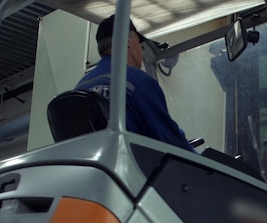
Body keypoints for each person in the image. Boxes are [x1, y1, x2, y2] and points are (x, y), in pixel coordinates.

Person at [75, 15, 195, 152]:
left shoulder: (80, 87)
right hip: (130, 168)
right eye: (139, 44)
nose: (141, 51)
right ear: (128, 42)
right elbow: (171, 142)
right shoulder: (138, 82)